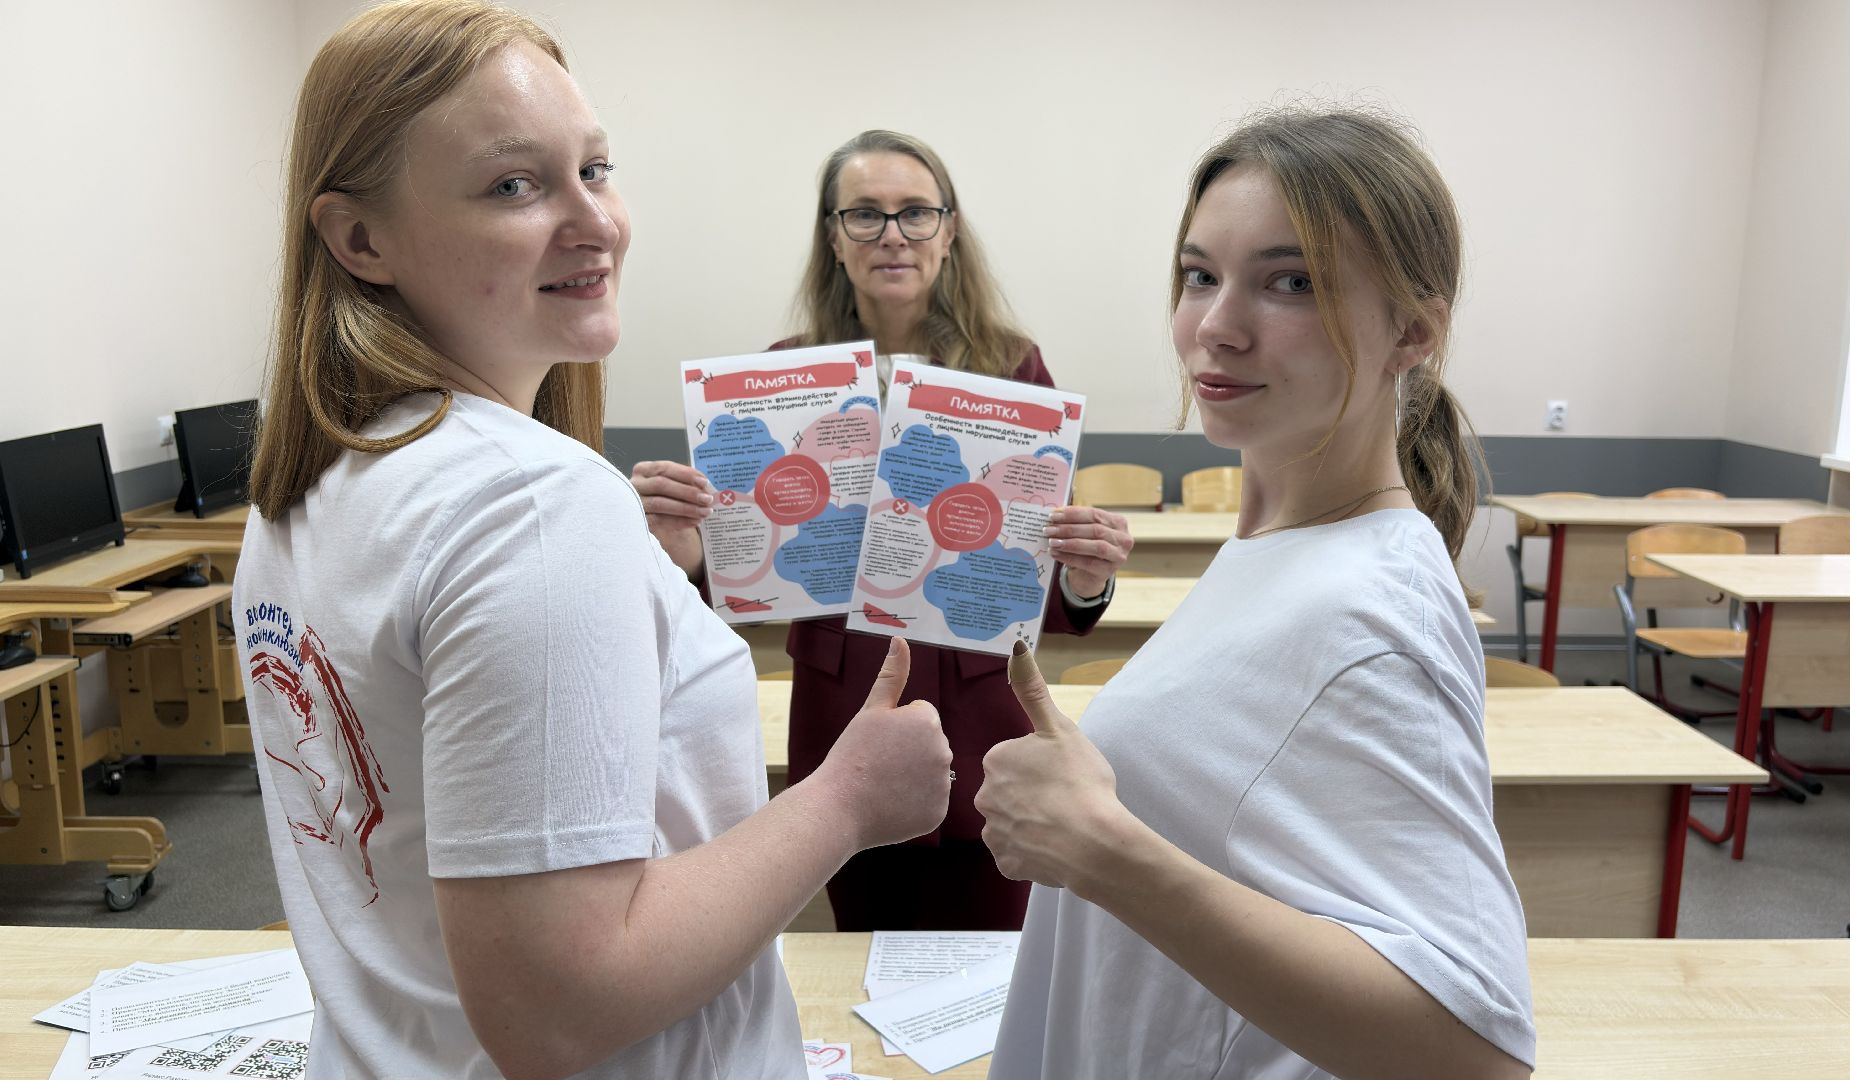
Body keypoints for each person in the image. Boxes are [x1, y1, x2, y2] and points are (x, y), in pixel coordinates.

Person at [236, 4, 951, 1077]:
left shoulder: (305, 483)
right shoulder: (530, 503)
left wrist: (641, 587)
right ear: (360, 240)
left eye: (595, 170)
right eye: (513, 185)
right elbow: (557, 1010)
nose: (597, 223)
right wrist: (845, 802)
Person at [976, 107, 1536, 1079]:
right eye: (1200, 275)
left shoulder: (1374, 611)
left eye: (1292, 283)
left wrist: (1105, 852)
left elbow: (1476, 1051)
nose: (1216, 327)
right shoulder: (1283, 548)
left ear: (1412, 330)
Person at [630, 130, 1135, 931]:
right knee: (861, 952)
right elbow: (740, 582)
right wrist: (690, 556)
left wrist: (1085, 576)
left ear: (949, 229)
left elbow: (1037, 587)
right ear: (833, 236)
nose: (892, 234)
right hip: (845, 708)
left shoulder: (1013, 369)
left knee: (991, 968)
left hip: (984, 717)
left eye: (915, 213)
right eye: (865, 214)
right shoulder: (782, 375)